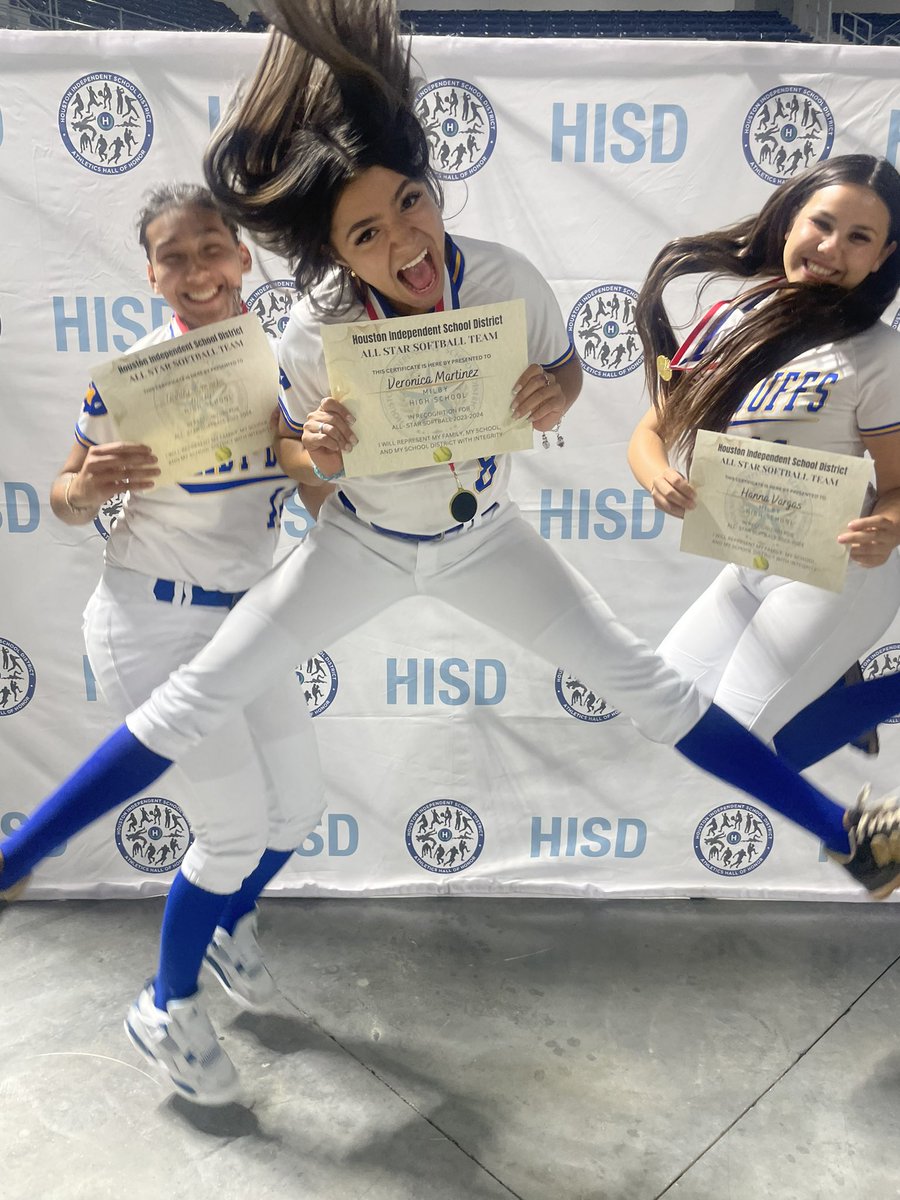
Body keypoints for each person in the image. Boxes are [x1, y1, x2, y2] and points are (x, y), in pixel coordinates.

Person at [4, 0, 900, 1083]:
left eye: (411, 209)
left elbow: (567, 373)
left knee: (649, 690)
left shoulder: (509, 274)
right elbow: (297, 456)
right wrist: (321, 443)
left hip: (486, 537)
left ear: (432, 193)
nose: (404, 244)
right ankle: (16, 856)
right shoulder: (311, 325)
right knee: (197, 696)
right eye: (367, 234)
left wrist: (554, 388)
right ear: (332, 252)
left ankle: (851, 835)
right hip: (364, 541)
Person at [46, 183, 329, 1106]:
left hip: (250, 614)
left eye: (212, 249)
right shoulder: (129, 376)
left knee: (296, 810)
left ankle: (223, 924)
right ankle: (165, 1005)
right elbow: (62, 493)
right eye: (175, 257)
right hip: (152, 619)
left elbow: (320, 477)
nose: (197, 271)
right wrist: (89, 487)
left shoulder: (288, 364)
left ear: (243, 258)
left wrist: (331, 454)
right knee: (234, 827)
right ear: (153, 274)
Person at [629, 155, 900, 776]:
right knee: (661, 714)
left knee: (740, 746)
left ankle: (866, 693)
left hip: (837, 574)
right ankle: (836, 687)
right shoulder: (732, 322)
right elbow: (650, 432)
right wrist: (656, 476)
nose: (833, 248)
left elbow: (899, 489)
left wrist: (888, 526)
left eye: (859, 238)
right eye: (822, 224)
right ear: (789, 222)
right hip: (751, 562)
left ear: (883, 256)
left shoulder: (880, 355)